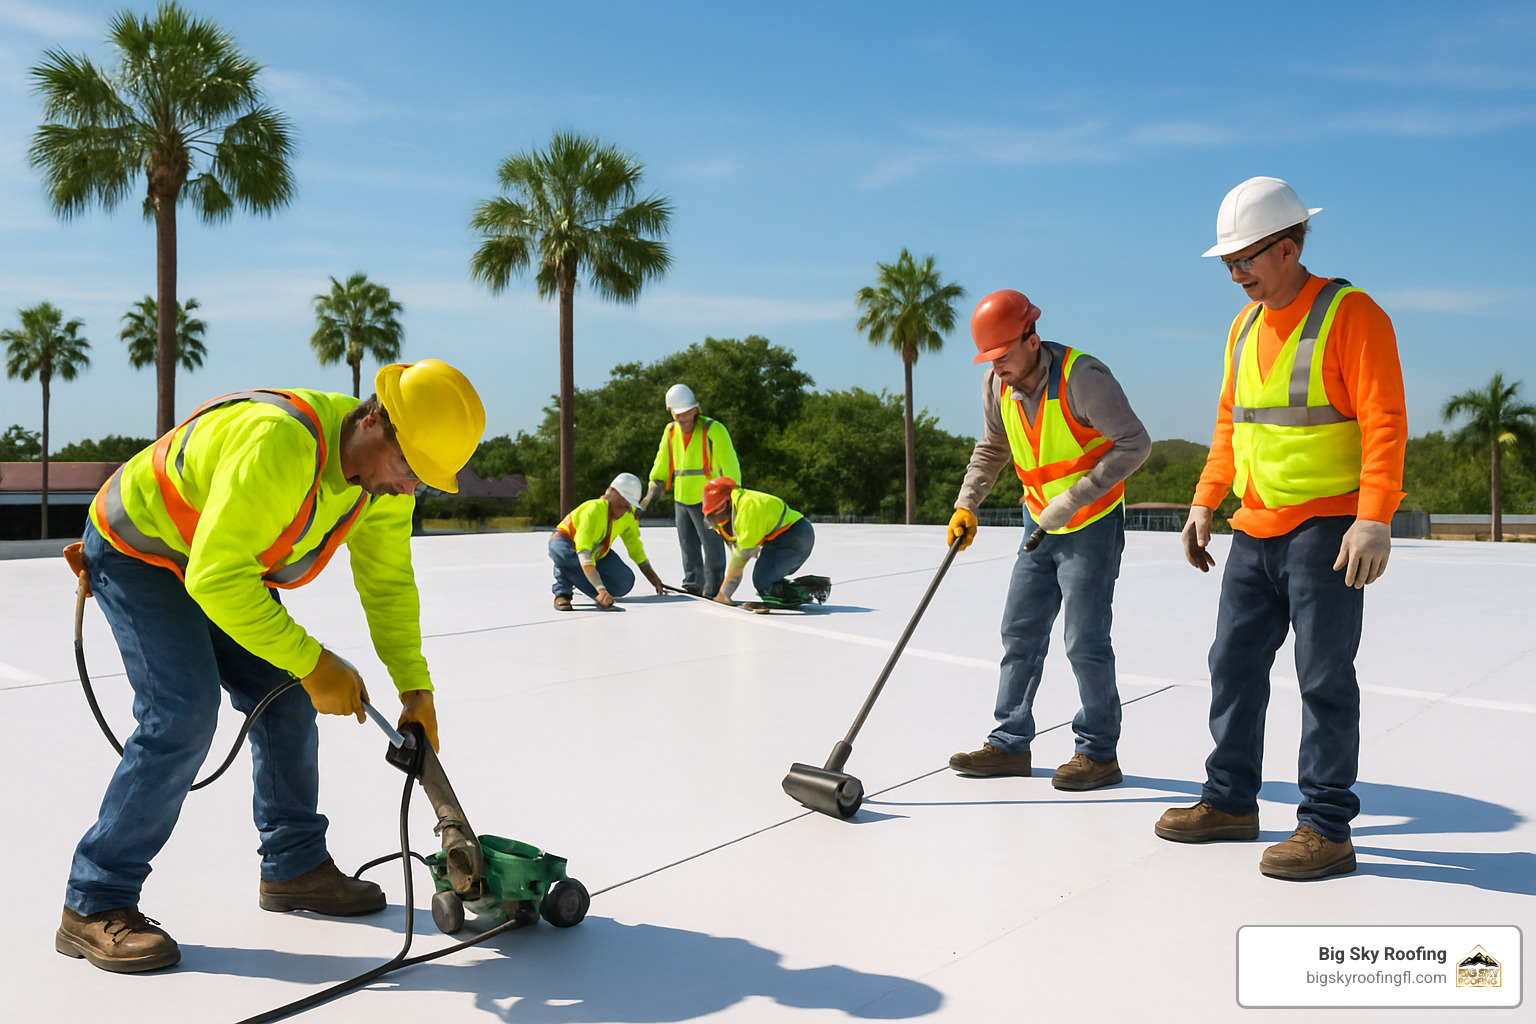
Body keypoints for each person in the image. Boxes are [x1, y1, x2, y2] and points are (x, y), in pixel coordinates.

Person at [57, 359, 485, 973]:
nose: (410, 487)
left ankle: (294, 868)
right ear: (372, 423)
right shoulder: (282, 443)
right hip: (141, 550)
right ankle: (93, 902)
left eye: (426, 480)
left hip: (215, 559)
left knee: (284, 696)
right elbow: (216, 576)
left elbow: (389, 585)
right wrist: (312, 661)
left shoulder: (379, 488)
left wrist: (414, 686)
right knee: (183, 711)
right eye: (410, 469)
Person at [1154, 177, 1406, 880]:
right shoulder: (1242, 327)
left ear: (1290, 247)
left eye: (1246, 261)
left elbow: (1384, 420)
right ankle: (1230, 801)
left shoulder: (1351, 314)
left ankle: (1326, 828)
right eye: (1227, 265)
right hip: (1253, 529)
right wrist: (1206, 501)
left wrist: (1374, 517)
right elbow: (1231, 424)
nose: (1236, 277)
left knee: (1323, 677)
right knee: (1231, 665)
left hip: (1328, 530)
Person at [945, 290, 1150, 790]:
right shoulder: (997, 385)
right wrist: (966, 503)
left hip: (1091, 525)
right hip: (1035, 523)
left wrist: (1076, 497)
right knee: (1019, 632)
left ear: (1031, 340)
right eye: (988, 359)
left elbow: (1136, 443)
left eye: (1003, 356)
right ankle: (1009, 743)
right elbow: (993, 445)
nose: (997, 368)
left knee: (1085, 641)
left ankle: (1099, 753)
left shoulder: (1084, 379)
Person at [639, 384, 741, 598]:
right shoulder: (670, 431)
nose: (683, 419)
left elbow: (730, 466)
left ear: (696, 410)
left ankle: (714, 588)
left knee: (712, 545)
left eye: (687, 414)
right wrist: (651, 493)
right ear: (670, 412)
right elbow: (662, 463)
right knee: (687, 544)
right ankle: (693, 583)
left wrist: (732, 497)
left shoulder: (714, 429)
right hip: (682, 499)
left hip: (710, 501)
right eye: (678, 415)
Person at [549, 472, 665, 610]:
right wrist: (600, 590)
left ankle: (585, 582)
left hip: (596, 553)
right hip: (567, 542)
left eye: (628, 507)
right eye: (622, 506)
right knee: (566, 557)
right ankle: (563, 592)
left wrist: (653, 578)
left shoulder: (628, 516)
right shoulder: (594, 510)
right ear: (613, 495)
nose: (625, 511)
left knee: (625, 581)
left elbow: (635, 548)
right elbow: (583, 554)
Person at [701, 477, 816, 606]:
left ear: (727, 503)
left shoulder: (748, 511)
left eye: (716, 513)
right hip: (783, 536)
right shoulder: (738, 503)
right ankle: (788, 594)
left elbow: (740, 560)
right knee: (764, 576)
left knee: (763, 579)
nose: (716, 521)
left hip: (796, 536)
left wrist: (724, 594)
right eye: (711, 516)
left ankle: (802, 593)